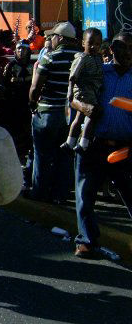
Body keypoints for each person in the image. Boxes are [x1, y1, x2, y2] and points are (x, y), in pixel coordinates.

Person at [71, 32, 132, 258]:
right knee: (85, 194)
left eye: (131, 48)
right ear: (113, 50)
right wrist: (85, 109)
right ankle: (86, 240)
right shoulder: (99, 72)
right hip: (94, 144)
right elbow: (74, 97)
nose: (128, 53)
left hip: (124, 148)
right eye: (123, 48)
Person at [28, 21, 77, 202]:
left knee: (41, 154)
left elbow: (35, 88)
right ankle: (60, 194)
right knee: (63, 156)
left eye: (53, 36)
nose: (51, 39)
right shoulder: (80, 58)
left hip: (47, 112)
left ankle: (39, 193)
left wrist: (32, 105)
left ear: (61, 38)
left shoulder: (50, 57)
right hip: (70, 115)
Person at [61, 28, 103, 154]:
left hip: (93, 90)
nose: (94, 47)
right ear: (83, 43)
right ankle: (83, 143)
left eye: (97, 44)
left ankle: (70, 142)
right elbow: (73, 76)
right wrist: (70, 92)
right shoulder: (83, 58)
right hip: (85, 90)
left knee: (79, 117)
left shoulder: (97, 58)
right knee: (91, 115)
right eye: (90, 43)